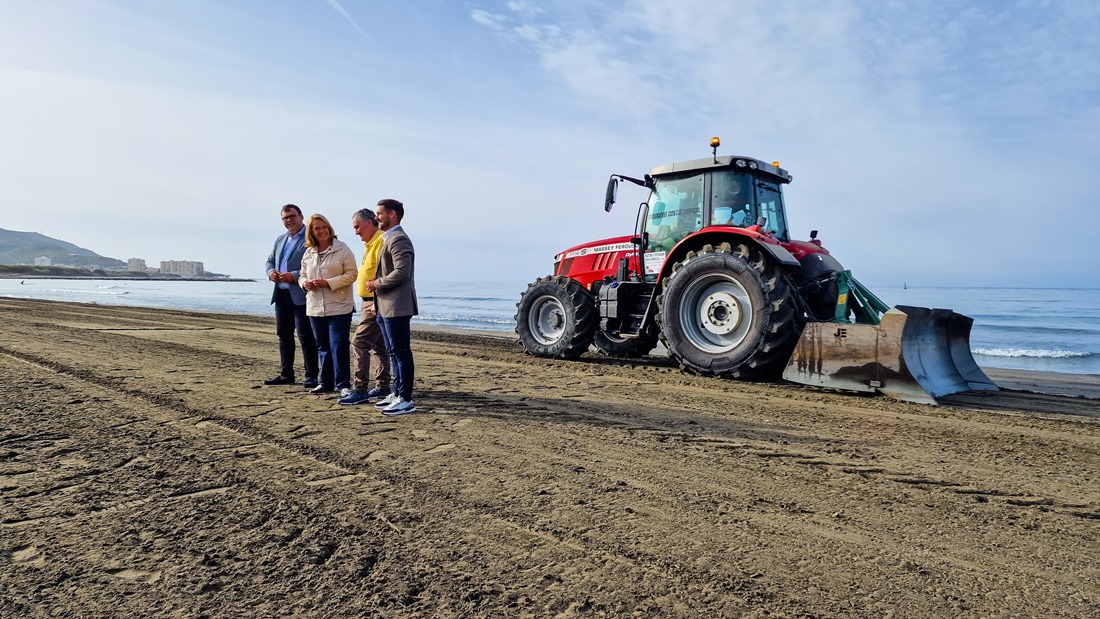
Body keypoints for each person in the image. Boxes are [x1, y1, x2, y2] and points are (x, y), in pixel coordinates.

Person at [368, 198, 418, 416]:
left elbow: (401, 272)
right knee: (392, 351)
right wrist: (375, 302)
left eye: (379, 213)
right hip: (385, 306)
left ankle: (405, 399)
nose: (376, 217)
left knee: (401, 352)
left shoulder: (398, 239)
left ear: (393, 214)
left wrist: (375, 284)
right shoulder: (389, 238)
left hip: (397, 306)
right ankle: (397, 393)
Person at [299, 213, 358, 397]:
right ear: (312, 232)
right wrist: (304, 283)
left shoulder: (342, 249)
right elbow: (302, 274)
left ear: (329, 228)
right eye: (317, 228)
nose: (322, 230)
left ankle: (343, 384)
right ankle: (325, 382)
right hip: (315, 306)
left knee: (339, 344)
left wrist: (328, 282)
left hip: (339, 305)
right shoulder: (308, 252)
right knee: (322, 345)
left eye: (324, 226)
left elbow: (352, 274)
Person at [338, 208, 392, 406]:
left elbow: (384, 273)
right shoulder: (371, 244)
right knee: (379, 346)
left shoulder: (380, 241)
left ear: (369, 223)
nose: (356, 232)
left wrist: (377, 302)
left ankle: (360, 389)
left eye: (357, 227)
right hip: (369, 301)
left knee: (359, 342)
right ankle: (383, 386)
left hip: (375, 301)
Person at [264, 204, 319, 388]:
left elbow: (314, 265)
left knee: (306, 336)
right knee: (284, 335)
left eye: (292, 216)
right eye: (285, 218)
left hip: (301, 295)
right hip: (281, 294)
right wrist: (271, 272)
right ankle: (286, 374)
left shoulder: (310, 238)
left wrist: (293, 276)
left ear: (301, 216)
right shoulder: (280, 240)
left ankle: (311, 375)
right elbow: (270, 260)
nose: (289, 220)